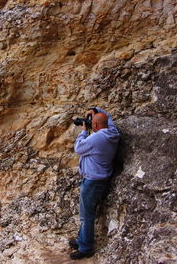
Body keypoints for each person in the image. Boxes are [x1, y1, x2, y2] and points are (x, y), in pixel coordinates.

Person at [69, 107, 120, 260]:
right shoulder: (113, 133)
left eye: (92, 124)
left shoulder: (97, 138)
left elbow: (78, 147)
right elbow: (108, 118)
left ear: (95, 126)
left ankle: (86, 248)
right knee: (87, 213)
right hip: (100, 179)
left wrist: (84, 130)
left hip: (92, 181)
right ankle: (81, 240)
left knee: (86, 215)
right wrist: (96, 110)